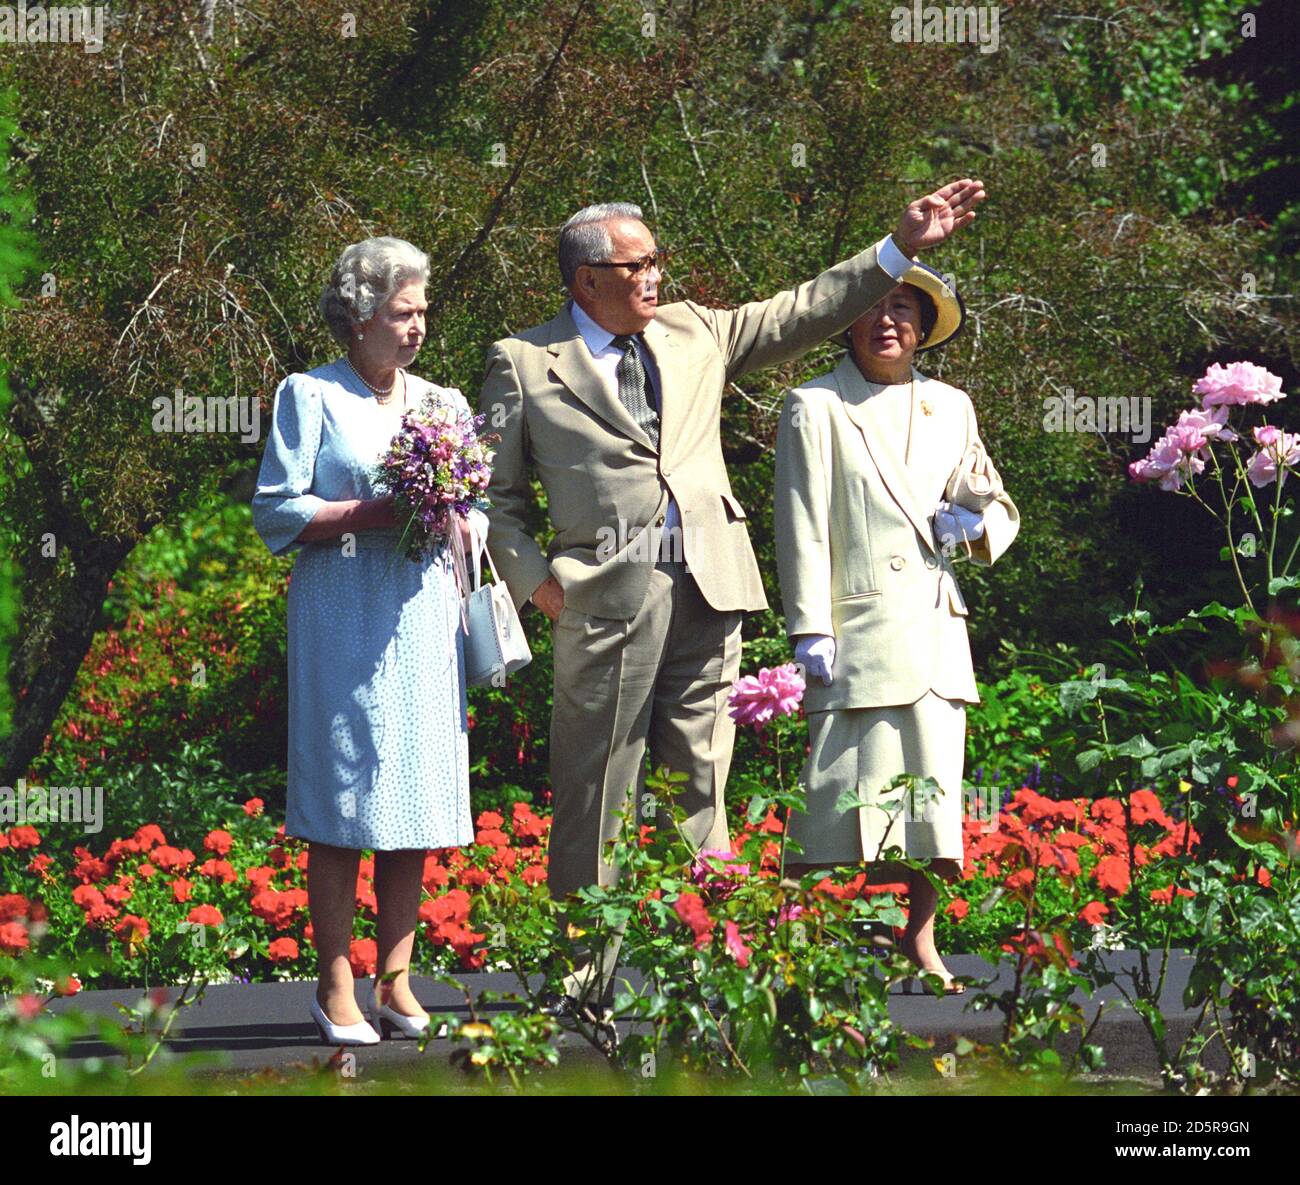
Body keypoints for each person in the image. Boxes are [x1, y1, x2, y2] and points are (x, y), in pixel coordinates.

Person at [478, 181, 987, 1016]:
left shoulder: (694, 330)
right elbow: (495, 499)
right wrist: (539, 584)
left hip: (712, 592)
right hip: (600, 602)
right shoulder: (525, 361)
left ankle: (709, 962)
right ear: (586, 281)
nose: (654, 277)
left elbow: (807, 310)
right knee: (595, 786)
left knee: (699, 785)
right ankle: (585, 975)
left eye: (657, 261)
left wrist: (900, 245)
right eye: (636, 265)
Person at [252, 236, 488, 1044]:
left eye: (423, 311)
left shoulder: (445, 402)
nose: (417, 326)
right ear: (358, 317)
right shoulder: (309, 396)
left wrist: (457, 510)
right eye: (401, 311)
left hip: (421, 615)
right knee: (344, 798)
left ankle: (397, 979)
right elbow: (276, 510)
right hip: (341, 613)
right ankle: (334, 981)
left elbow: (479, 507)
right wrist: (372, 513)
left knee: (413, 796)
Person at [773, 259, 1019, 994]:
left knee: (928, 804)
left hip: (936, 634)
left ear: (923, 326)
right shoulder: (812, 404)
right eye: (875, 307)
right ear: (847, 318)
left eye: (905, 309)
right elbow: (801, 524)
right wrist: (808, 626)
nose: (889, 321)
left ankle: (921, 938)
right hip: (854, 631)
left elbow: (997, 505)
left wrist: (969, 528)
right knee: (833, 796)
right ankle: (803, 943)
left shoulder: (954, 405)